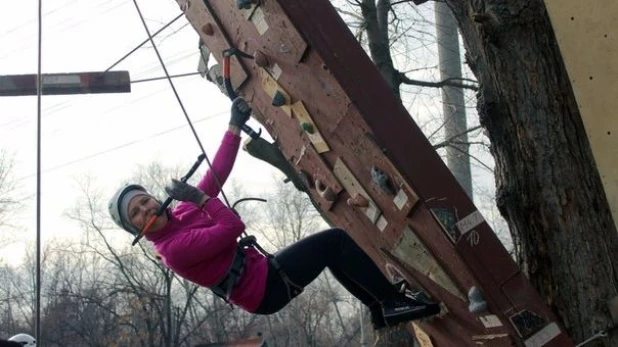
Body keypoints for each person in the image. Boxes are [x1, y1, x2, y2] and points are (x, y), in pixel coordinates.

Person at [108, 98, 440, 328]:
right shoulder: (174, 251)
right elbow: (231, 226)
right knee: (336, 243)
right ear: (135, 229)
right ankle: (392, 303)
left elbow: (216, 175)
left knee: (331, 254)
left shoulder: (182, 211)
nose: (146, 209)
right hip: (264, 289)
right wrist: (199, 197)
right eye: (136, 213)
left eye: (144, 200)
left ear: (155, 198)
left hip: (263, 273)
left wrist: (233, 126)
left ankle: (379, 309)